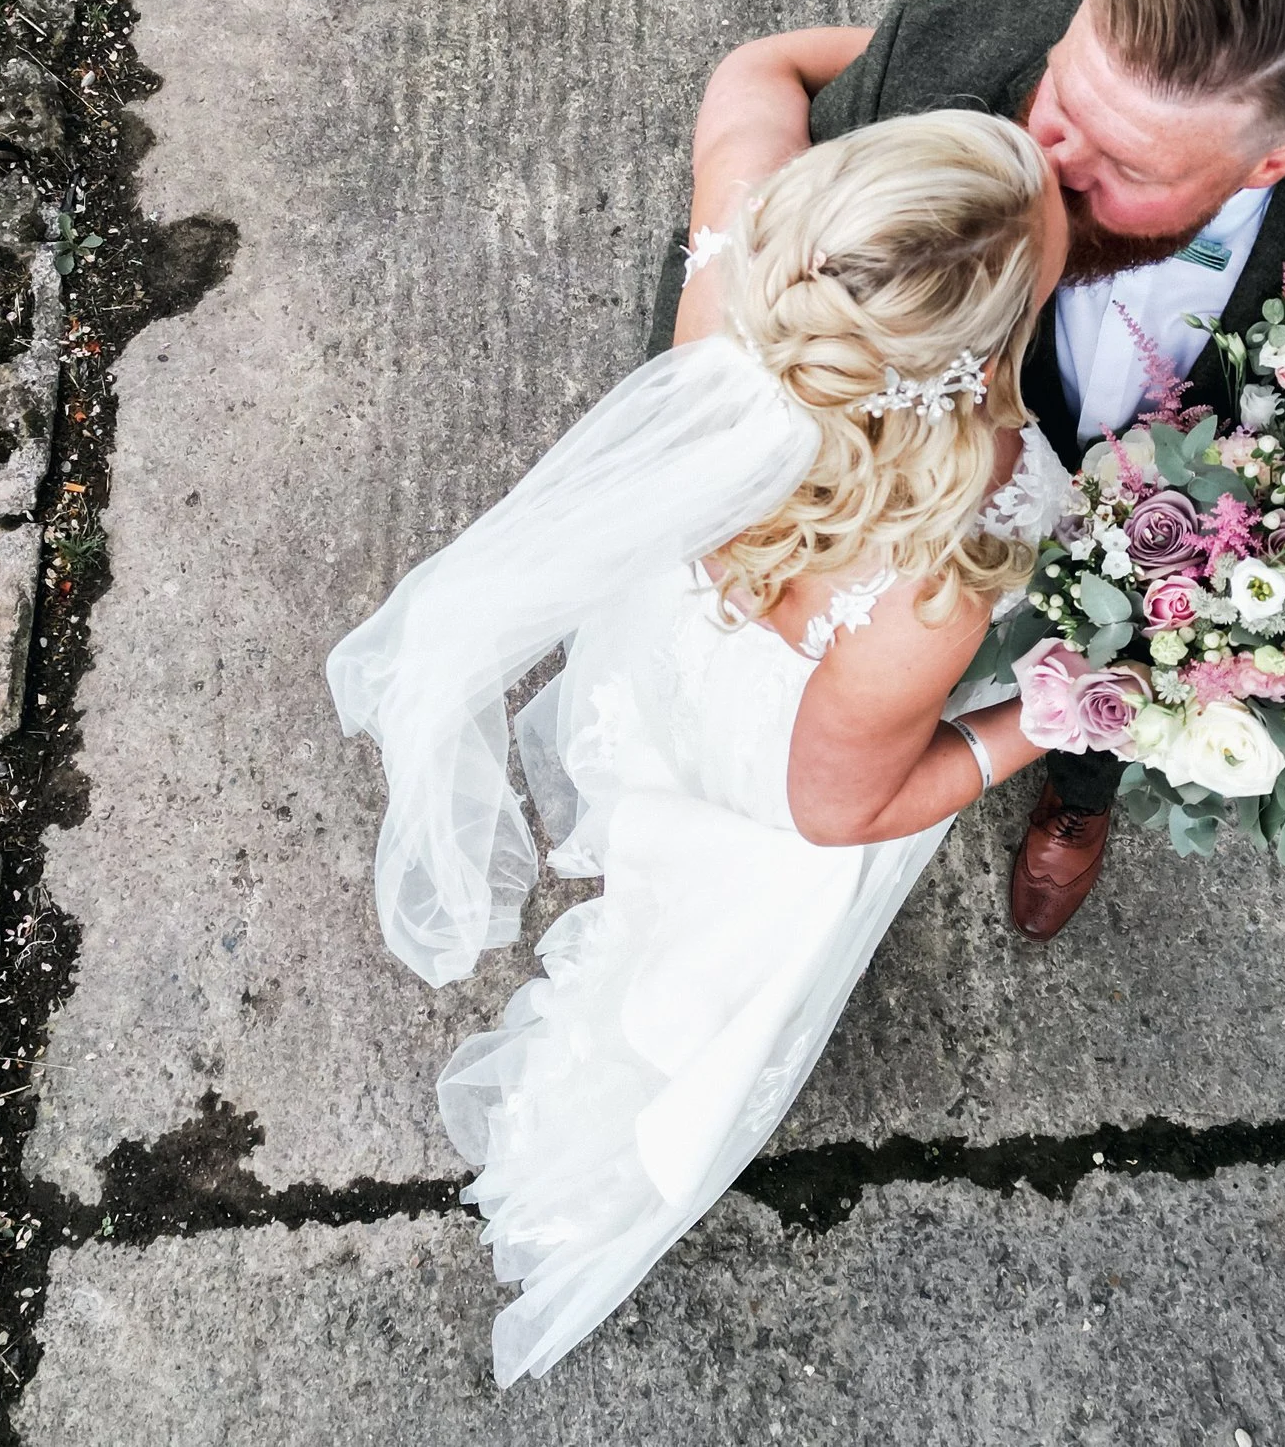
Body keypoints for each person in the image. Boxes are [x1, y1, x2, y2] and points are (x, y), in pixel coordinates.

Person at [649, 0, 1285, 942]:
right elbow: (753, 193)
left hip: (1153, 627)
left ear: (1275, 162)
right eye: (1065, 93)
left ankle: (1081, 795)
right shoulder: (928, 70)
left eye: (1129, 166)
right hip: (896, 618)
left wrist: (1170, 677)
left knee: (1097, 733)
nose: (1046, 165)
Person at [330, 107, 1075, 1384]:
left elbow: (750, 74)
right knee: (698, 952)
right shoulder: (942, 568)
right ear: (994, 331)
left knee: (653, 828)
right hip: (787, 775)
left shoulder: (742, 290)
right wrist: (1043, 720)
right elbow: (841, 811)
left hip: (679, 670)